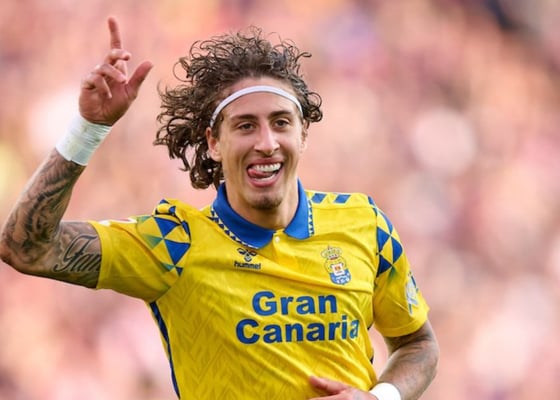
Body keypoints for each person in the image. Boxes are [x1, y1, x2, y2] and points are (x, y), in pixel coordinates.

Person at [0, 16, 439, 400]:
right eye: (245, 126)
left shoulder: (363, 222)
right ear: (213, 142)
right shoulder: (174, 244)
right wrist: (88, 129)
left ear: (303, 134)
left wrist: (381, 396)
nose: (266, 143)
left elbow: (417, 344)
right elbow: (26, 247)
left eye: (281, 123)